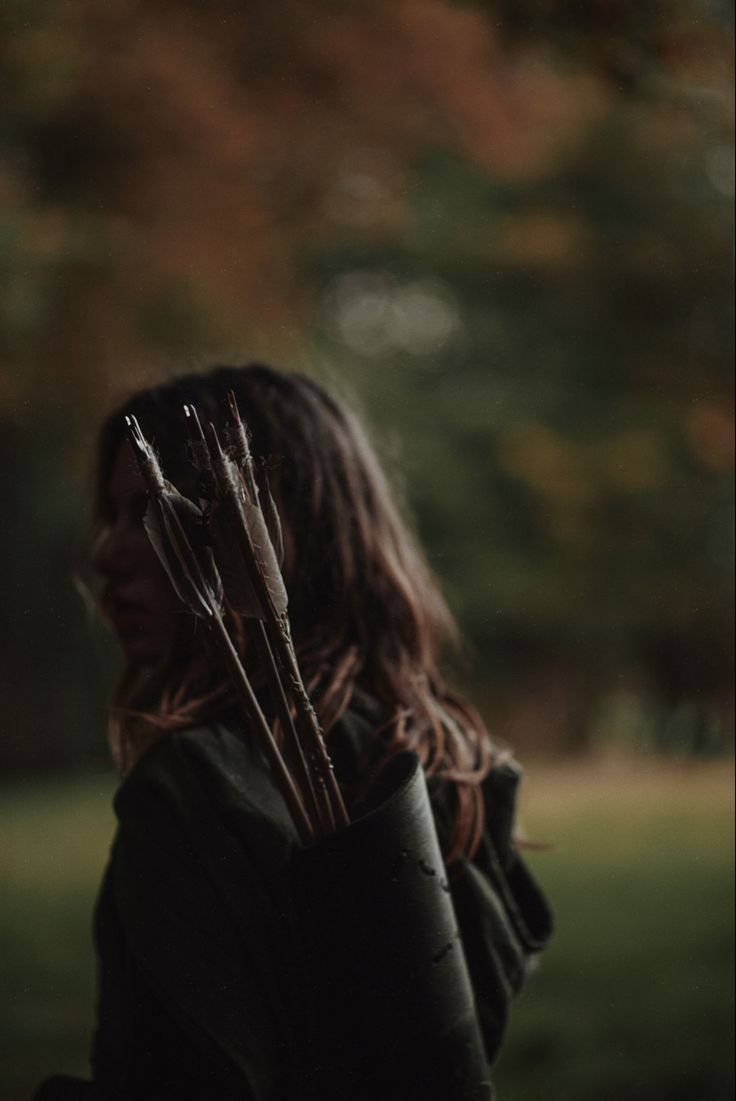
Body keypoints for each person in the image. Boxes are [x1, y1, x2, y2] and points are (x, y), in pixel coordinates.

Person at [34, 363, 551, 1100]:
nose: (107, 551)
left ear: (268, 535)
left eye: (152, 512)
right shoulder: (448, 757)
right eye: (109, 515)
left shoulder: (196, 783)